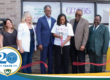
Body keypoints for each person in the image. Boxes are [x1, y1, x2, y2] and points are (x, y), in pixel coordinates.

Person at [36, 5, 56, 74]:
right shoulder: (40, 20)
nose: (49, 12)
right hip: (43, 43)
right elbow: (38, 32)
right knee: (43, 60)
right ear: (44, 11)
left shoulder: (54, 20)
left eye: (50, 10)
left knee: (51, 59)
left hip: (52, 43)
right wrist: (39, 43)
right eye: (47, 10)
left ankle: (50, 73)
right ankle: (43, 74)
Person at [70, 9, 89, 73]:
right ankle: (74, 75)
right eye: (76, 14)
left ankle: (81, 76)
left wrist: (83, 45)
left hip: (80, 46)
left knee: (81, 62)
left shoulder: (85, 21)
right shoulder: (71, 21)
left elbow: (86, 34)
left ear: (82, 15)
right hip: (72, 45)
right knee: (73, 61)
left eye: (79, 15)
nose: (77, 16)